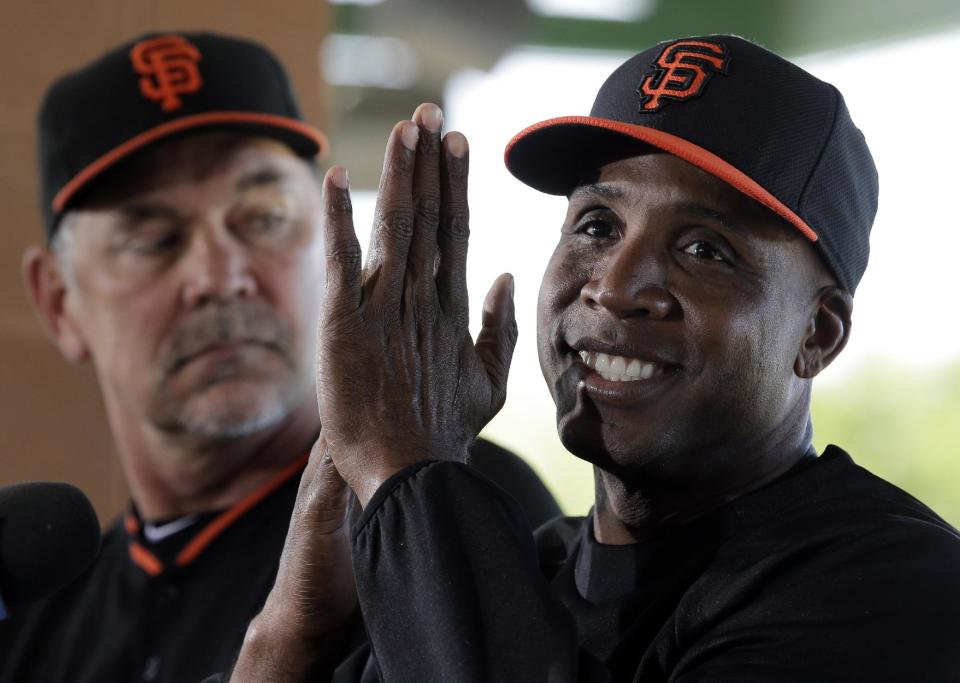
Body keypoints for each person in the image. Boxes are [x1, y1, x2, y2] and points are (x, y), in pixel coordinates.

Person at [226, 34, 960, 681]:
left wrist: (403, 461)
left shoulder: (897, 584)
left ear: (818, 334)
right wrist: (293, 630)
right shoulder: (527, 568)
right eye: (597, 225)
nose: (614, 286)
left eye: (705, 249)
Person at [0, 32, 559, 683]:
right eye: (153, 237)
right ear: (60, 302)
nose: (220, 274)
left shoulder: (438, 506)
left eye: (263, 216)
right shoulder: (34, 607)